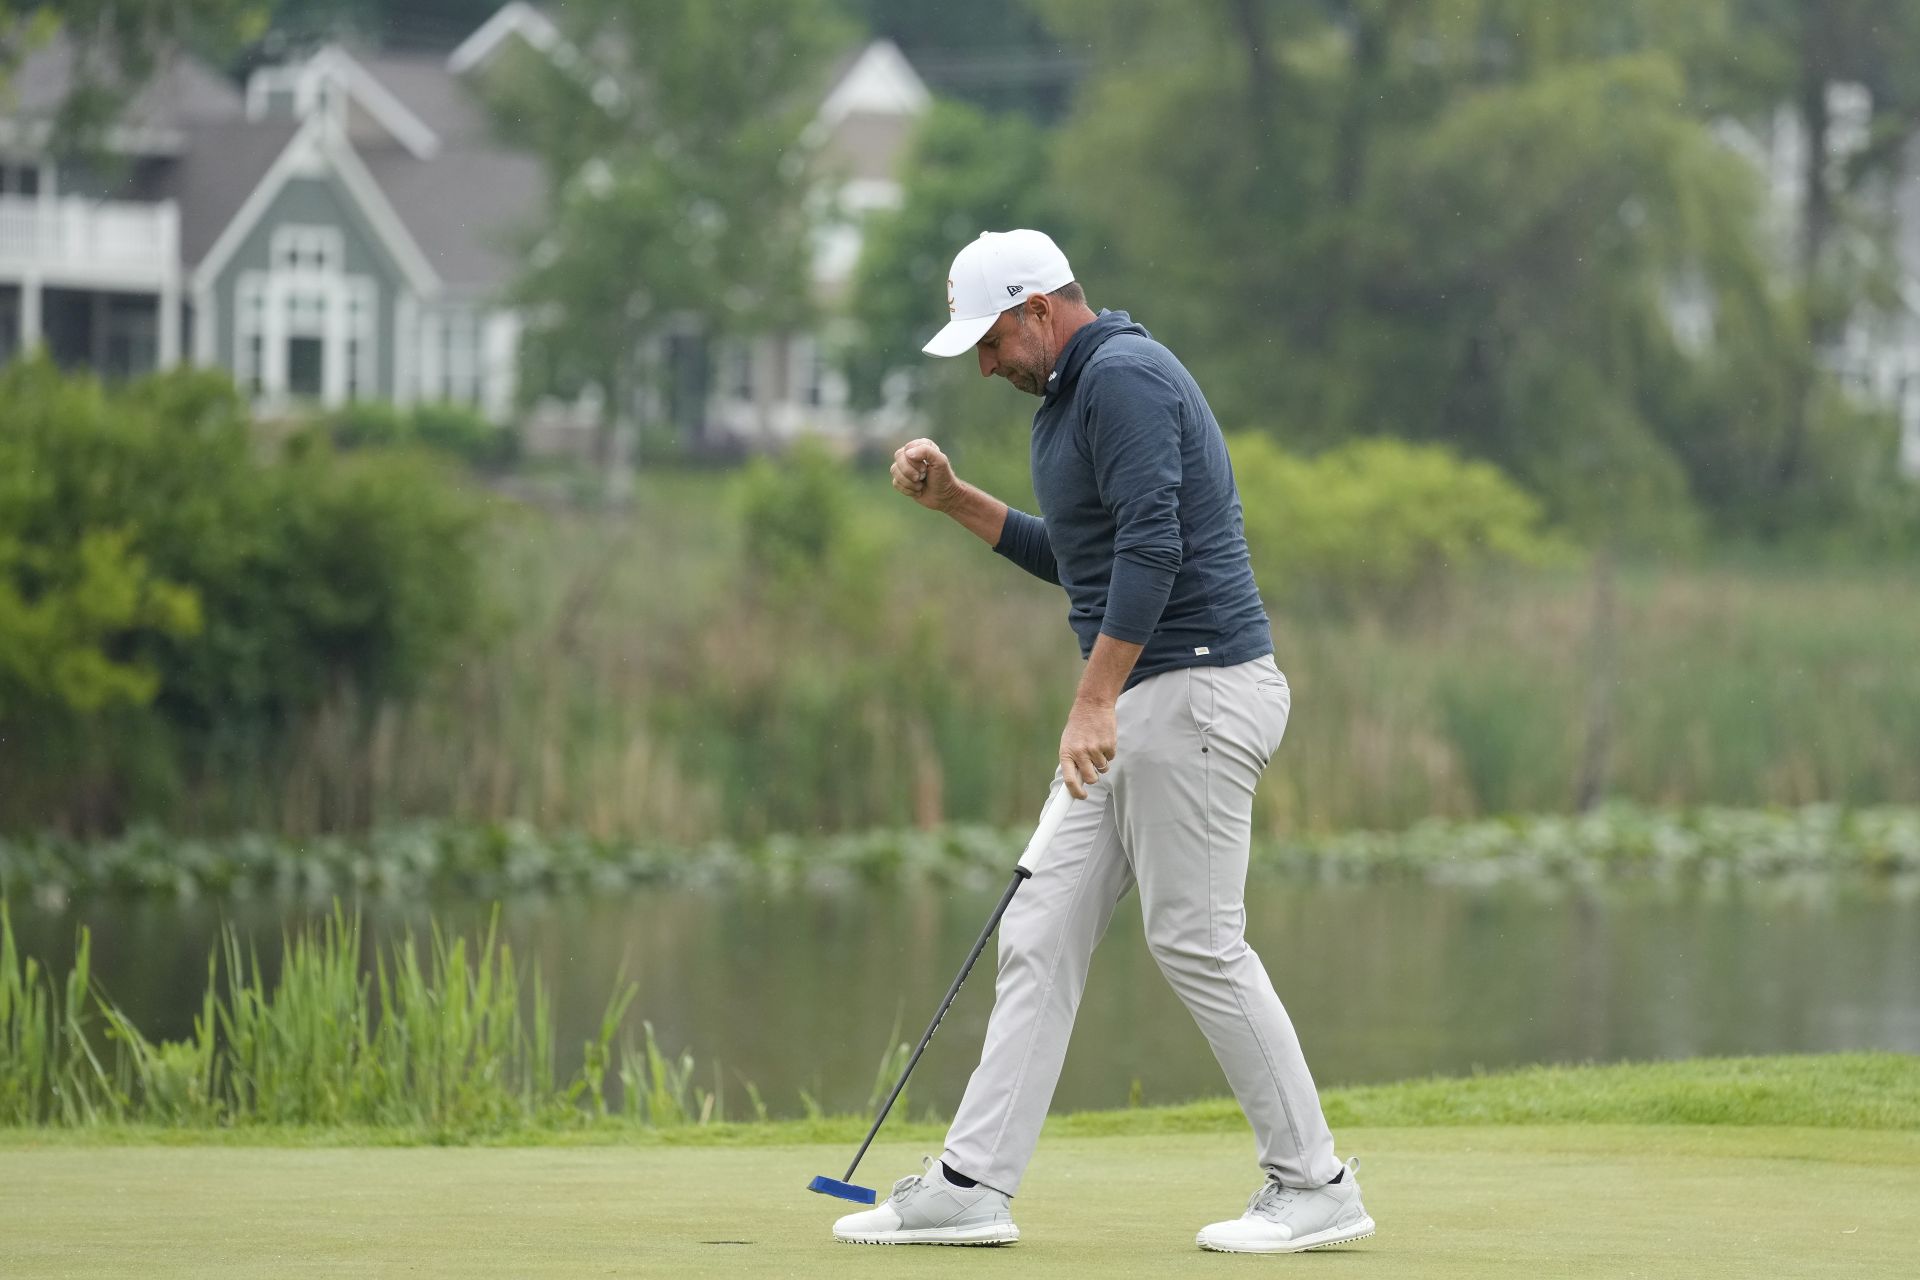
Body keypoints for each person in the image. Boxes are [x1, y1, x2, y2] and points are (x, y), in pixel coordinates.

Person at [828, 230, 1375, 1254]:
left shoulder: (1121, 375)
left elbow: (1154, 548)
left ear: (1039, 308)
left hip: (1198, 690)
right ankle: (971, 1184)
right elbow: (1077, 557)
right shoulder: (1066, 401)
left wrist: (1092, 699)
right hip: (1141, 699)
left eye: (990, 341)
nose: (985, 365)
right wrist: (956, 501)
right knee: (1038, 930)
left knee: (1197, 938)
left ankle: (1316, 1182)